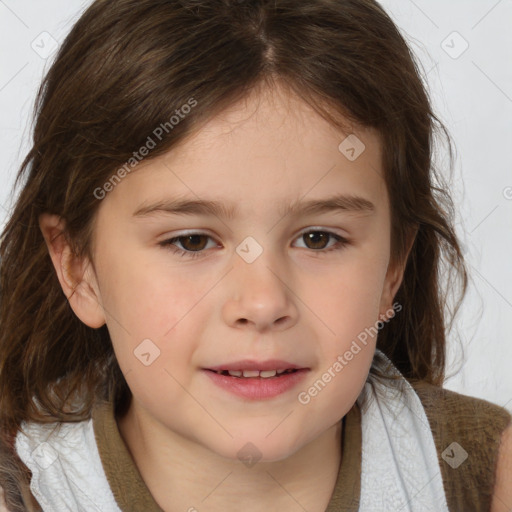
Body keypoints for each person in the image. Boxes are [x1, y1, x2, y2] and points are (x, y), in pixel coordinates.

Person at [0, 0, 511, 511]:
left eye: (318, 238)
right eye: (192, 241)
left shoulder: (492, 476)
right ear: (78, 268)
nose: (263, 303)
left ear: (392, 267)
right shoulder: (23, 489)